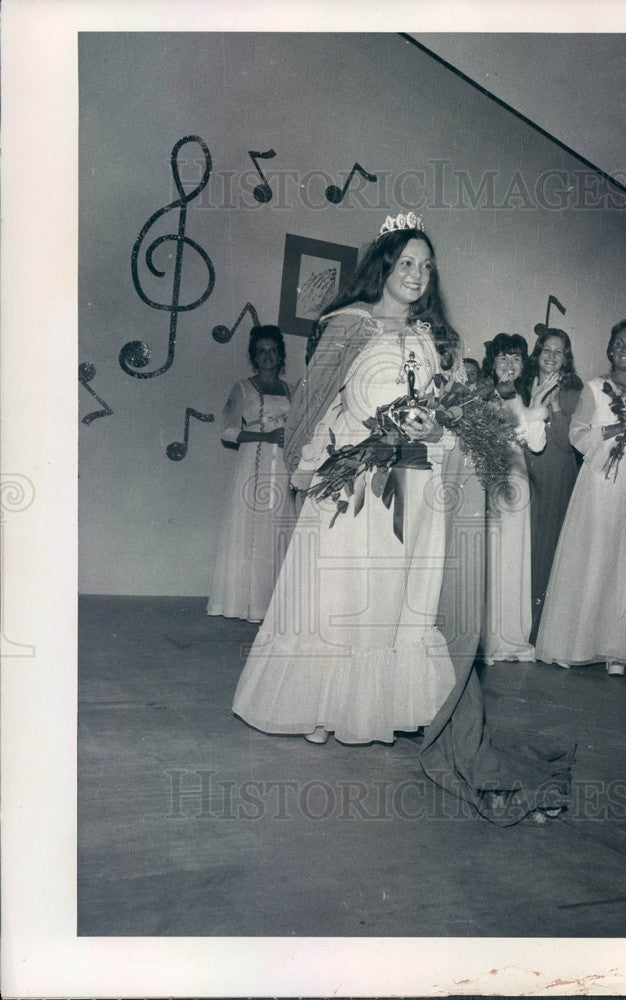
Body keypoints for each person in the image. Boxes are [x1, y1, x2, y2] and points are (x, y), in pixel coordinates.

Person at [232, 214, 572, 824]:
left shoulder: (431, 337)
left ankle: (380, 709)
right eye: (406, 263)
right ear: (384, 267)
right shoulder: (346, 327)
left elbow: (446, 408)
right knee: (345, 594)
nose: (417, 276)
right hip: (356, 486)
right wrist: (314, 469)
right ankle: (323, 708)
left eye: (425, 266)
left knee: (396, 599)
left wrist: (464, 427)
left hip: (414, 487)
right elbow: (313, 405)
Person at [535, 320, 626, 675]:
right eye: (619, 342)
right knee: (593, 555)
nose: (625, 347)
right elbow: (578, 434)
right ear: (610, 350)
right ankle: (575, 642)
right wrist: (617, 426)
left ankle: (619, 650)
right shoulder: (594, 389)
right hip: (597, 482)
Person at [207, 325, 296, 622]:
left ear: (280, 355)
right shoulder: (242, 388)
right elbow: (229, 431)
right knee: (251, 526)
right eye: (261, 352)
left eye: (273, 351)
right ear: (253, 356)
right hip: (252, 465)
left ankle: (271, 606)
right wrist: (265, 437)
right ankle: (244, 604)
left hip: (282, 467)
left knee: (277, 527)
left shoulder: (291, 390)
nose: (267, 356)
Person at [481, 333, 557, 665]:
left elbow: (537, 445)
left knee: (510, 560)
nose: (509, 365)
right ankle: (483, 639)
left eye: (515, 359)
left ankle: (510, 637)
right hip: (484, 481)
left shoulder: (527, 399)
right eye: (502, 358)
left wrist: (536, 412)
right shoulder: (478, 397)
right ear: (492, 363)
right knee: (486, 560)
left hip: (515, 485)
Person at [524, 326, 584, 644]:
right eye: (547, 349)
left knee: (548, 549)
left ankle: (542, 630)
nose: (551, 355)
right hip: (525, 474)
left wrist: (556, 405)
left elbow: (566, 443)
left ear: (566, 359)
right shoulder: (521, 387)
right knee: (522, 547)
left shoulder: (576, 395)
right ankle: (516, 625)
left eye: (558, 351)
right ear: (538, 354)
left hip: (558, 476)